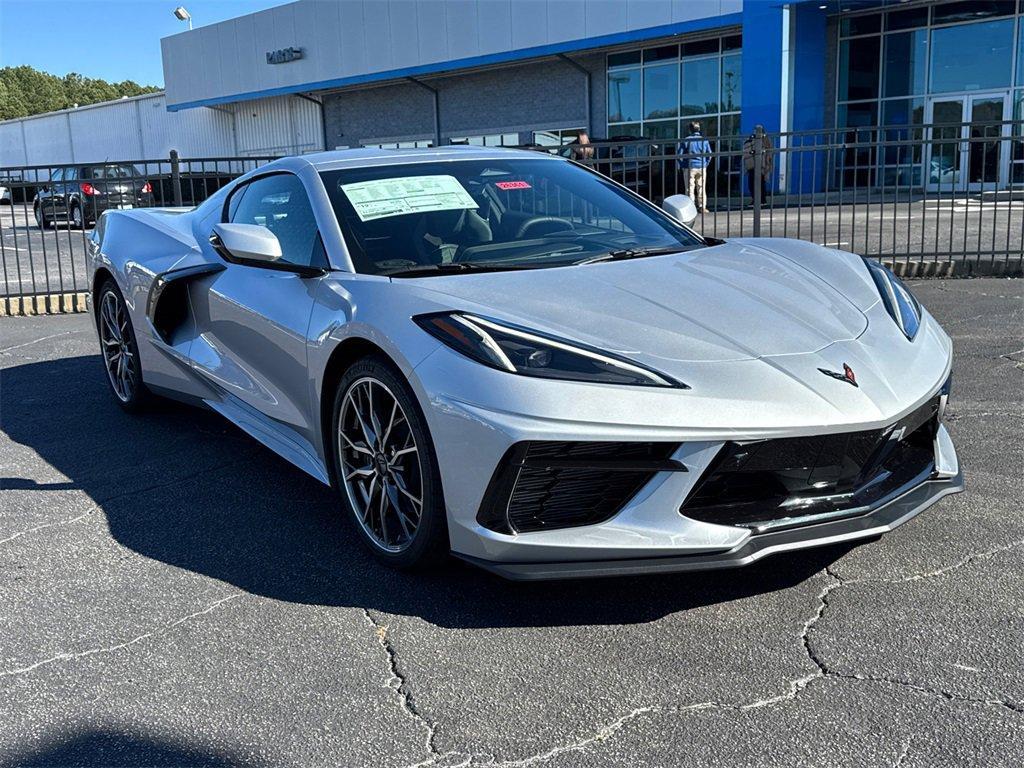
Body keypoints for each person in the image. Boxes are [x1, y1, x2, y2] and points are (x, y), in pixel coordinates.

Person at [677, 122, 712, 214]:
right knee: (701, 187)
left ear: (690, 129)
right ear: (699, 129)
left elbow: (679, 155)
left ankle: (691, 207)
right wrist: (705, 164)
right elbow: (710, 154)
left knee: (689, 188)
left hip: (690, 167)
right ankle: (702, 206)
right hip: (701, 166)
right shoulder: (704, 140)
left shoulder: (686, 140)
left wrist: (682, 165)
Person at [743, 126, 773, 205]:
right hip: (751, 165)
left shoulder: (765, 139)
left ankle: (762, 200)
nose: (755, 132)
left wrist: (768, 163)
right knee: (751, 184)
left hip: (761, 165)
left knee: (760, 183)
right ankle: (755, 200)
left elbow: (768, 152)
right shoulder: (749, 140)